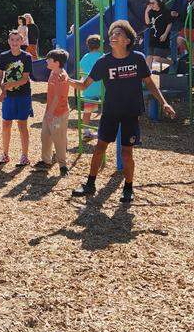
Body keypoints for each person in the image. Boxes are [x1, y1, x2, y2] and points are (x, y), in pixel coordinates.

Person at [69, 20, 176, 203]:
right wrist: (66, 80)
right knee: (99, 148)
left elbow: (149, 83)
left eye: (118, 34)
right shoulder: (104, 61)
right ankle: (90, 184)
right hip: (110, 111)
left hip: (130, 112)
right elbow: (84, 85)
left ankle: (128, 188)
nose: (113, 36)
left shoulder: (137, 58)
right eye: (112, 34)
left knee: (127, 152)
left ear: (128, 40)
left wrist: (164, 103)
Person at [0, 29, 34, 166]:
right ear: (8, 41)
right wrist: (3, 90)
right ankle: (5, 154)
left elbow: (25, 79)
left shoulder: (27, 57)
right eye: (12, 40)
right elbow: (0, 77)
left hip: (23, 95)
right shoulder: (3, 56)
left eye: (17, 40)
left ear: (21, 41)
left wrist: (9, 86)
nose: (14, 42)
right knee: (6, 124)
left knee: (22, 125)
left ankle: (24, 156)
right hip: (9, 97)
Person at [33, 49, 72, 175]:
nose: (46, 61)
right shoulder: (53, 72)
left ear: (56, 62)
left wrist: (50, 113)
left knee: (58, 139)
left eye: (49, 59)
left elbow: (58, 97)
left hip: (58, 113)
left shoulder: (61, 76)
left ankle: (63, 165)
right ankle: (46, 161)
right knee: (45, 136)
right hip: (50, 112)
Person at [77, 34, 104, 140]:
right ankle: (103, 131)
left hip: (89, 87)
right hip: (102, 87)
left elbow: (82, 73)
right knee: (105, 110)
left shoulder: (85, 57)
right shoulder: (103, 56)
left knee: (87, 111)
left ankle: (86, 131)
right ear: (100, 45)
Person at [143, 0, 173, 71]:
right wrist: (146, 11)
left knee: (156, 58)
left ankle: (171, 62)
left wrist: (165, 34)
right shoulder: (151, 12)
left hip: (162, 38)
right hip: (153, 38)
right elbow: (147, 22)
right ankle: (148, 74)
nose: (151, 5)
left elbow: (169, 23)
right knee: (149, 57)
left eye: (153, 3)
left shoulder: (165, 11)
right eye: (149, 3)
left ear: (158, 2)